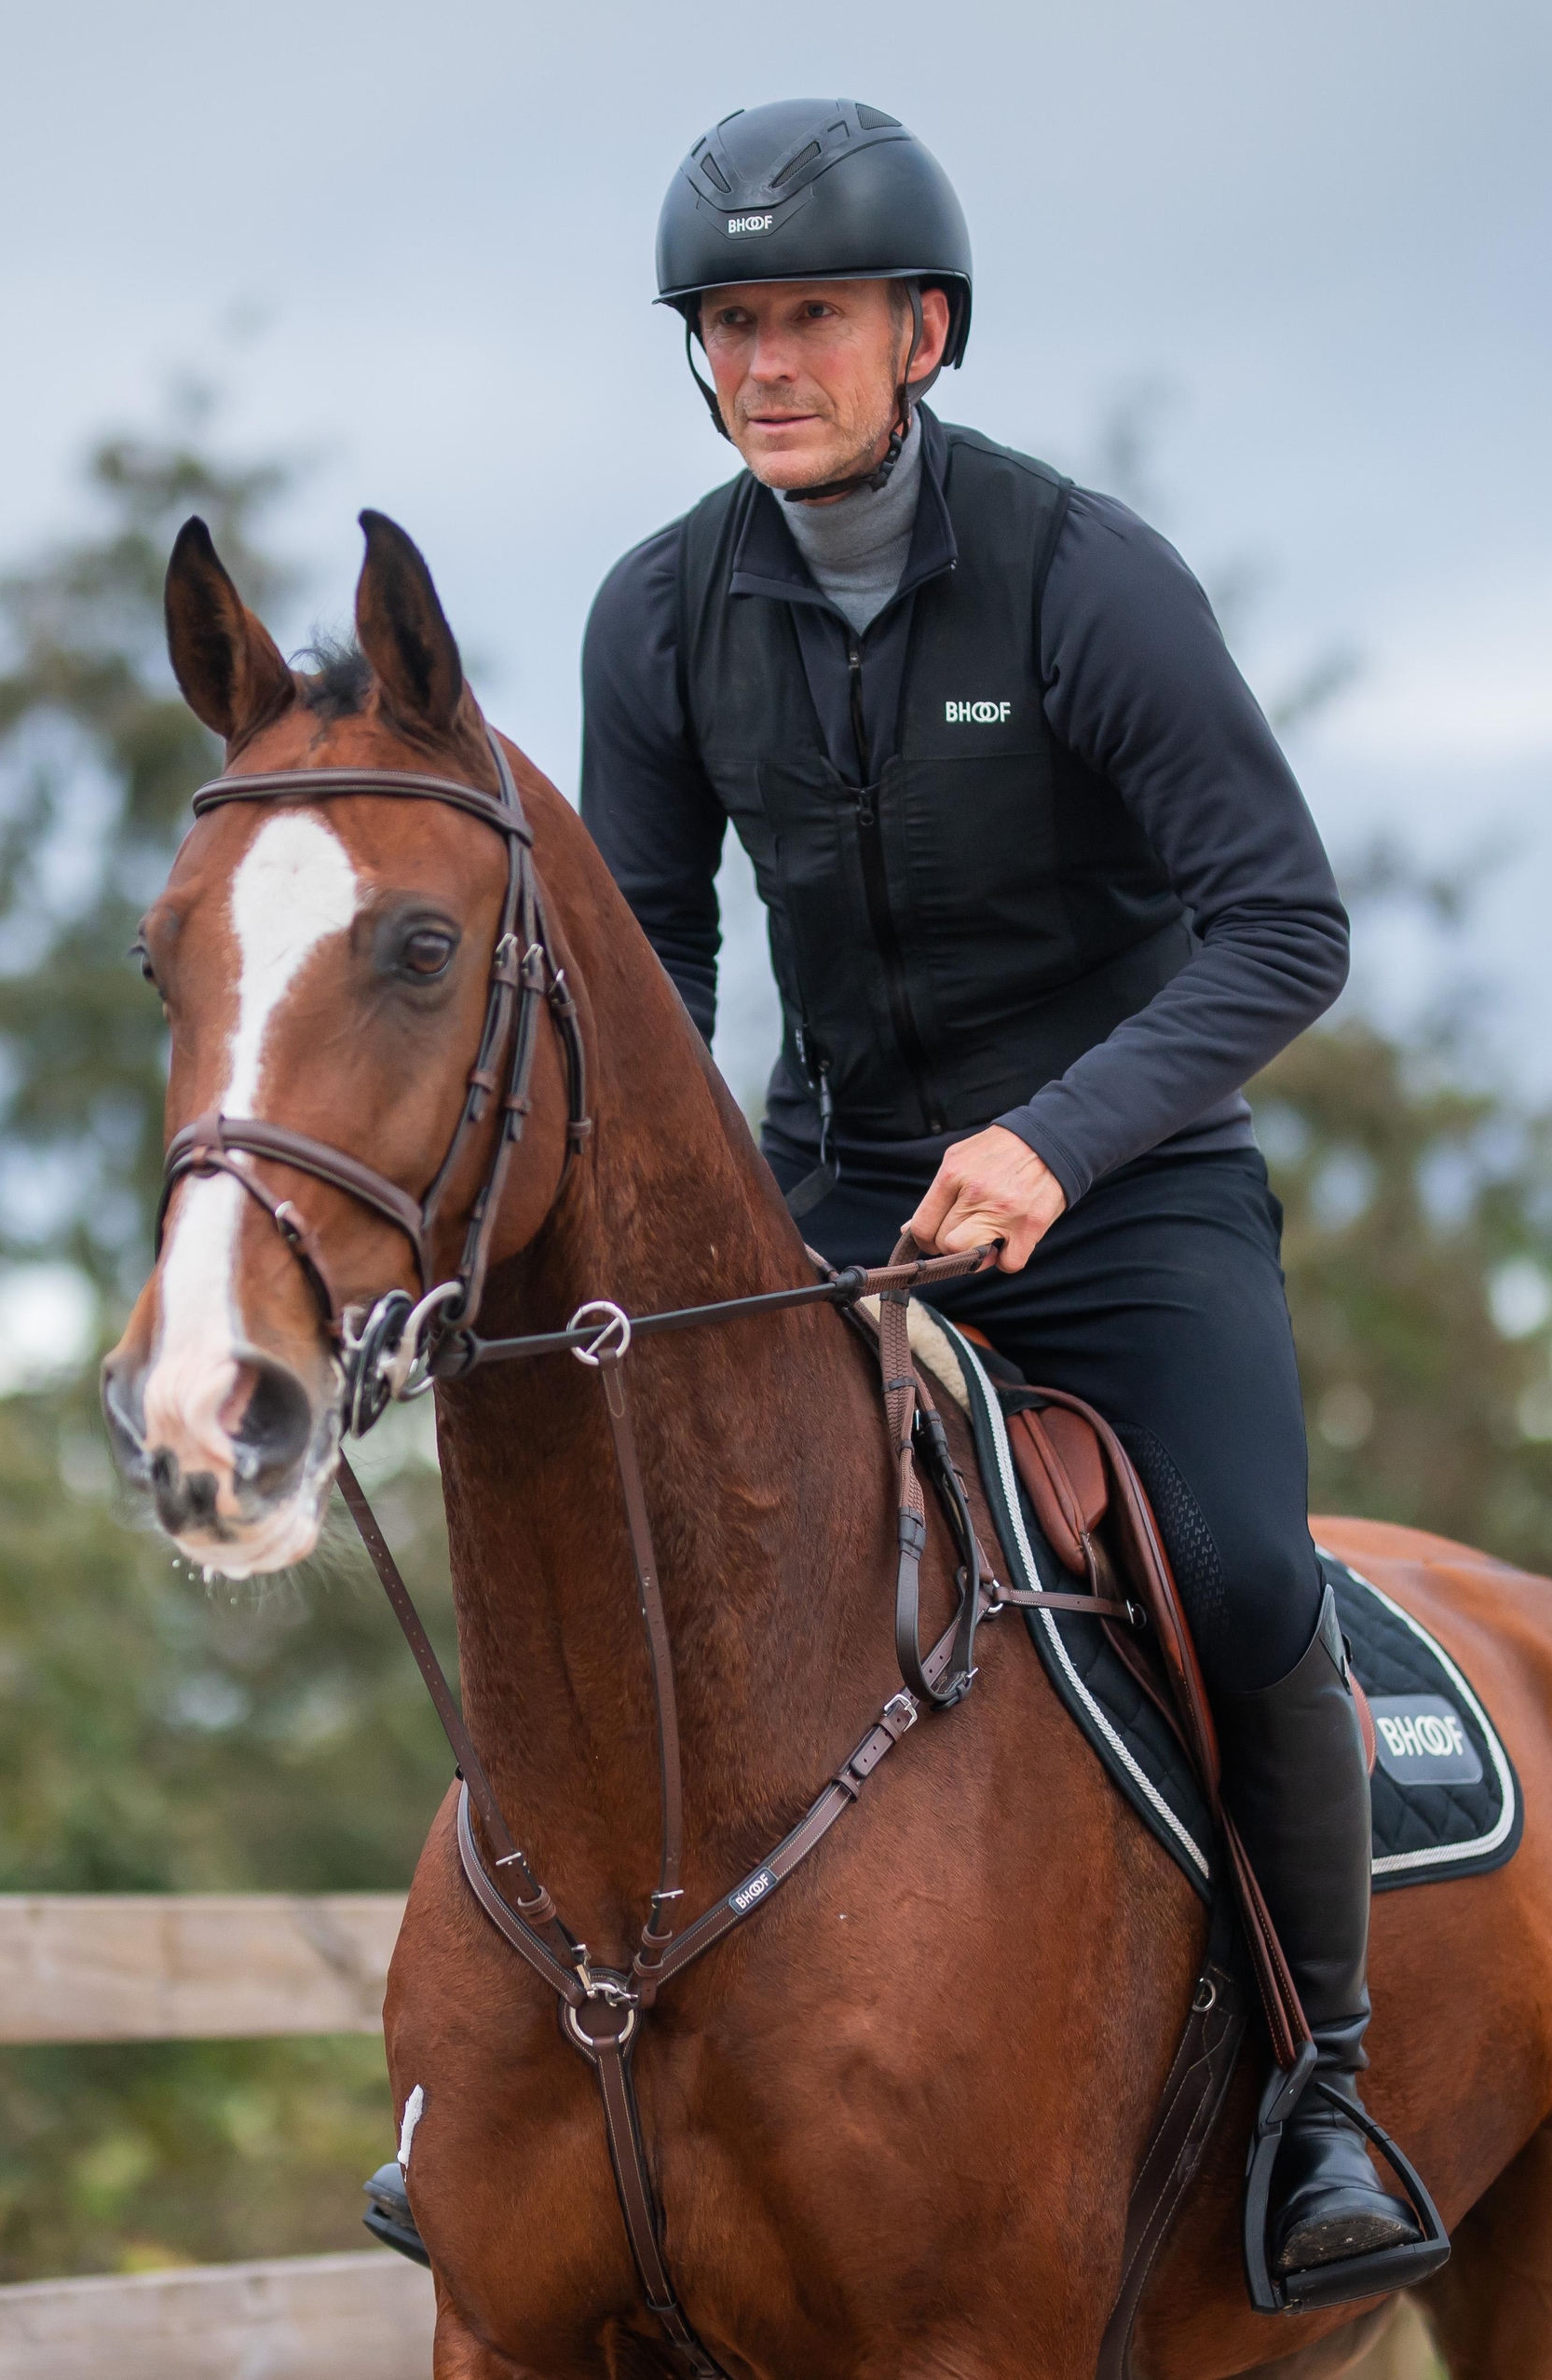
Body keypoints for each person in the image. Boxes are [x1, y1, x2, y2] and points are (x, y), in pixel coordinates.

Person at [577, 97, 1429, 2305]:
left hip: (1131, 1196)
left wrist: (1061, 1139)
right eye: (731, 325)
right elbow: (653, 958)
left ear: (924, 331)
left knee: (1244, 1580)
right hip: (837, 1196)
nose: (768, 362)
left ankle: (1325, 2089)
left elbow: (1283, 925)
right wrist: (688, 1208)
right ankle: (526, 2077)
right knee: (616, 1552)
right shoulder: (658, 617)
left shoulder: (1083, 575)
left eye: (815, 320)